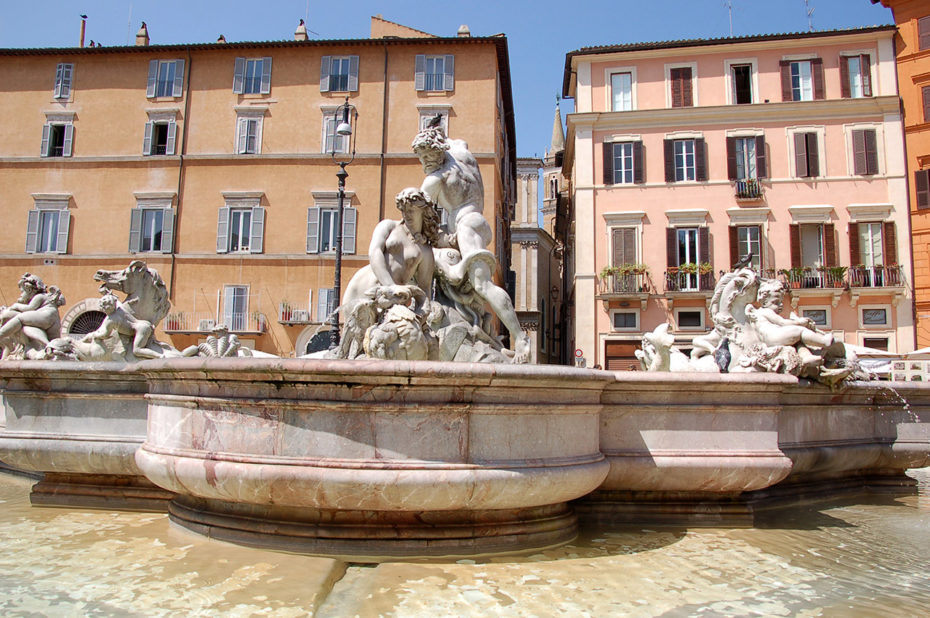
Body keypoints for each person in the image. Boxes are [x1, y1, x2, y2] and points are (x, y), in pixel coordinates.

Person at [412, 127, 531, 363]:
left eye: (427, 157)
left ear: (438, 153)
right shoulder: (460, 150)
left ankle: (522, 339)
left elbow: (416, 210)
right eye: (421, 158)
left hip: (465, 225)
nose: (424, 163)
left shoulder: (436, 178)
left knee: (483, 285)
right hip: (476, 221)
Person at [0, 273, 65, 357]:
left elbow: (29, 308)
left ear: (29, 290)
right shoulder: (45, 297)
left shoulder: (39, 297)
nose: (21, 295)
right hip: (54, 322)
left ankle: (1, 333)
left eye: (22, 292)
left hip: (45, 316)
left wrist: (16, 306)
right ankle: (48, 346)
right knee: (27, 328)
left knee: (20, 318)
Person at [82, 293, 162, 360]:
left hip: (140, 329)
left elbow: (105, 335)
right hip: (144, 324)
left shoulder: (111, 320)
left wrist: (95, 335)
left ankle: (160, 356)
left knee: (137, 350)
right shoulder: (120, 310)